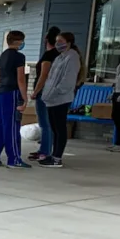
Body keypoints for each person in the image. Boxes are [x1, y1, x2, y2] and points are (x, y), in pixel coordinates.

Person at [36, 32, 85, 168]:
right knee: (54, 128)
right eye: (57, 41)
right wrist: (47, 93)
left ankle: (57, 158)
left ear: (69, 42)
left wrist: (55, 92)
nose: (58, 44)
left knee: (59, 128)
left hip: (61, 99)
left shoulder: (72, 57)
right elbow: (51, 78)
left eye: (61, 41)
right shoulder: (59, 57)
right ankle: (53, 154)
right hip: (51, 99)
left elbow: (67, 81)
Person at [0, 31, 30, 168]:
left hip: (1, 91)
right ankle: (14, 158)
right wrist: (24, 97)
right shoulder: (19, 57)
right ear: (18, 41)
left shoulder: (3, 55)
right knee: (12, 125)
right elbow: (21, 79)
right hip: (12, 92)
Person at [28, 26, 62, 161]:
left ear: (46, 39)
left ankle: (45, 151)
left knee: (44, 123)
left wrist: (35, 91)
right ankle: (46, 149)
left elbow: (44, 75)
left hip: (44, 92)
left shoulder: (49, 55)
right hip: (54, 92)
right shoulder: (59, 55)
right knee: (49, 122)